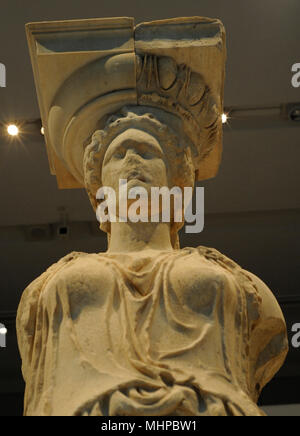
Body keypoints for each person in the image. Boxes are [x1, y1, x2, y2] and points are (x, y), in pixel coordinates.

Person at [16, 106, 288, 416]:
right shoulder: (53, 281)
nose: (132, 161)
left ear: (176, 182)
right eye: (118, 155)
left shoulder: (230, 277)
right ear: (99, 190)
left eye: (147, 152)